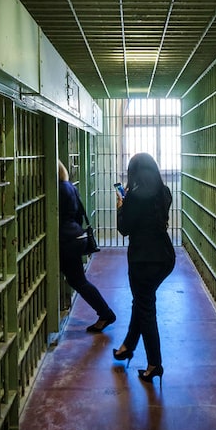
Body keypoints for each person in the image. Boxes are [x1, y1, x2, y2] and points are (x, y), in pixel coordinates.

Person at [112, 153, 176, 384]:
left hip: (142, 260)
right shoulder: (165, 192)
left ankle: (154, 364)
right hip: (165, 258)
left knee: (145, 308)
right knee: (142, 301)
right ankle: (127, 346)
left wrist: (121, 206)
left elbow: (124, 229)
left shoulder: (134, 198)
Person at [58, 160, 116, 333]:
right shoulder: (69, 186)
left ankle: (105, 313)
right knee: (77, 280)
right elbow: (78, 216)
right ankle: (105, 313)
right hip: (74, 237)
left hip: (65, 240)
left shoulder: (57, 190)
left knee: (78, 281)